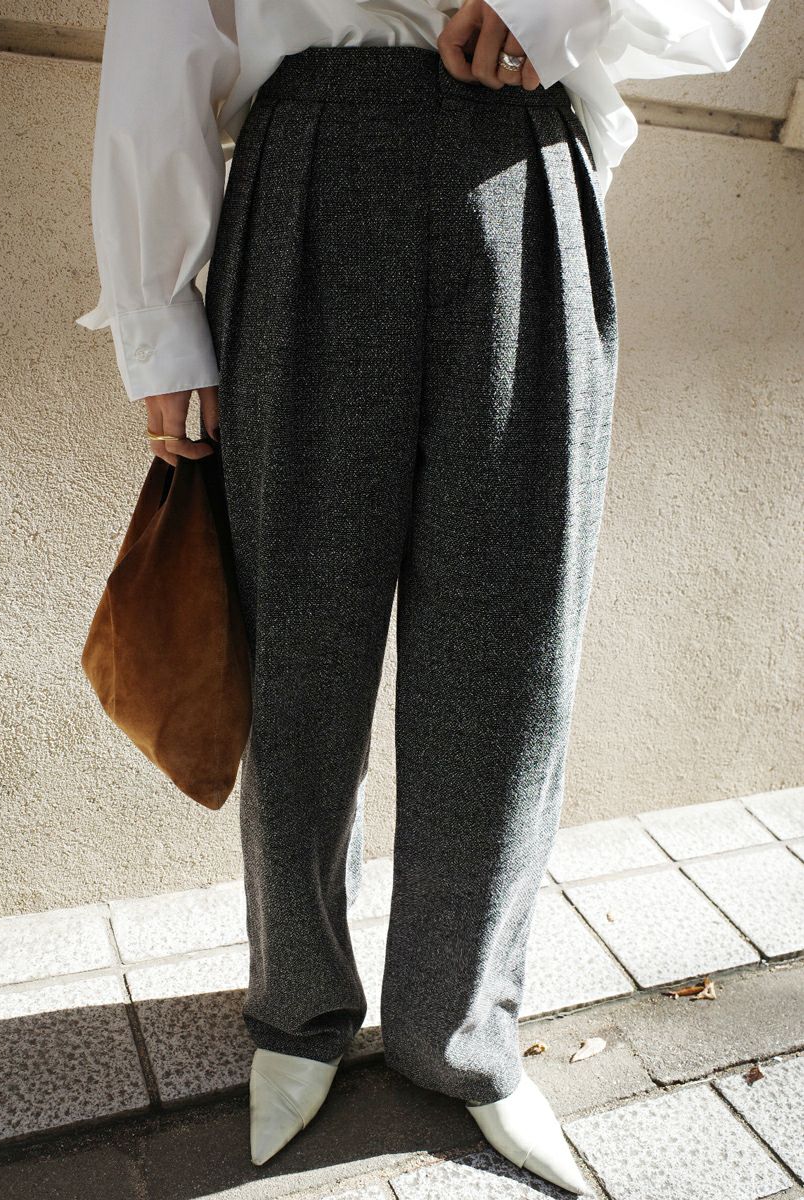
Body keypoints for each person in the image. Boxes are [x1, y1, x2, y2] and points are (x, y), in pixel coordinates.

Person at [76, 1, 771, 1192]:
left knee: (513, 658)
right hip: (311, 159)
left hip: (527, 157)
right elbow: (167, 17)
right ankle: (298, 1008)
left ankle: (464, 1029)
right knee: (295, 653)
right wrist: (155, 313)